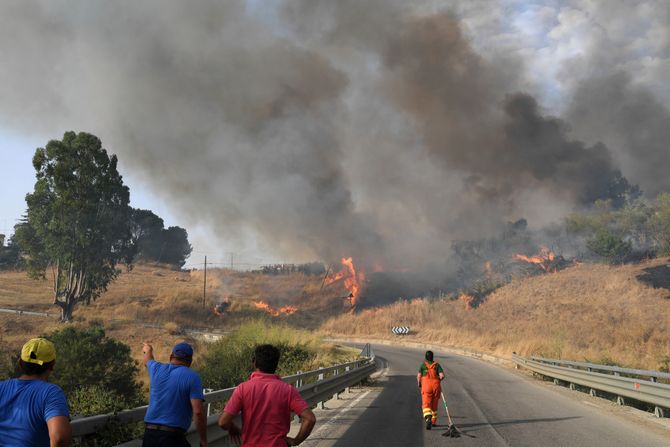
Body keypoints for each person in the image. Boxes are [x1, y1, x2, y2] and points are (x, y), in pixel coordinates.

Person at [218, 344, 316, 446]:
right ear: (276, 365)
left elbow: (223, 422)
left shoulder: (243, 388)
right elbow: (310, 419)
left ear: (254, 363)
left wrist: (233, 429)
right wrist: (296, 441)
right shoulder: (288, 390)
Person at [0, 337, 71, 446]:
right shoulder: (50, 393)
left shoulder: (1, 387)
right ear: (52, 365)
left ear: (20, 362)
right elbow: (59, 437)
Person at [142, 342, 207, 447]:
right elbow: (198, 412)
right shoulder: (193, 377)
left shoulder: (156, 369)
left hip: (149, 436)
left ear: (171, 356)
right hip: (172, 438)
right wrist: (203, 440)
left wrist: (147, 349)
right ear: (190, 361)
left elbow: (147, 360)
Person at [416, 350, 445, 430]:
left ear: (425, 357)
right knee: (434, 405)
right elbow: (442, 376)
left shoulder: (423, 366)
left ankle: (428, 418)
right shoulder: (437, 365)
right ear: (433, 357)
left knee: (426, 404)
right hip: (436, 386)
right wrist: (438, 380)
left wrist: (419, 383)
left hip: (426, 386)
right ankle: (433, 421)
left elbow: (419, 376)